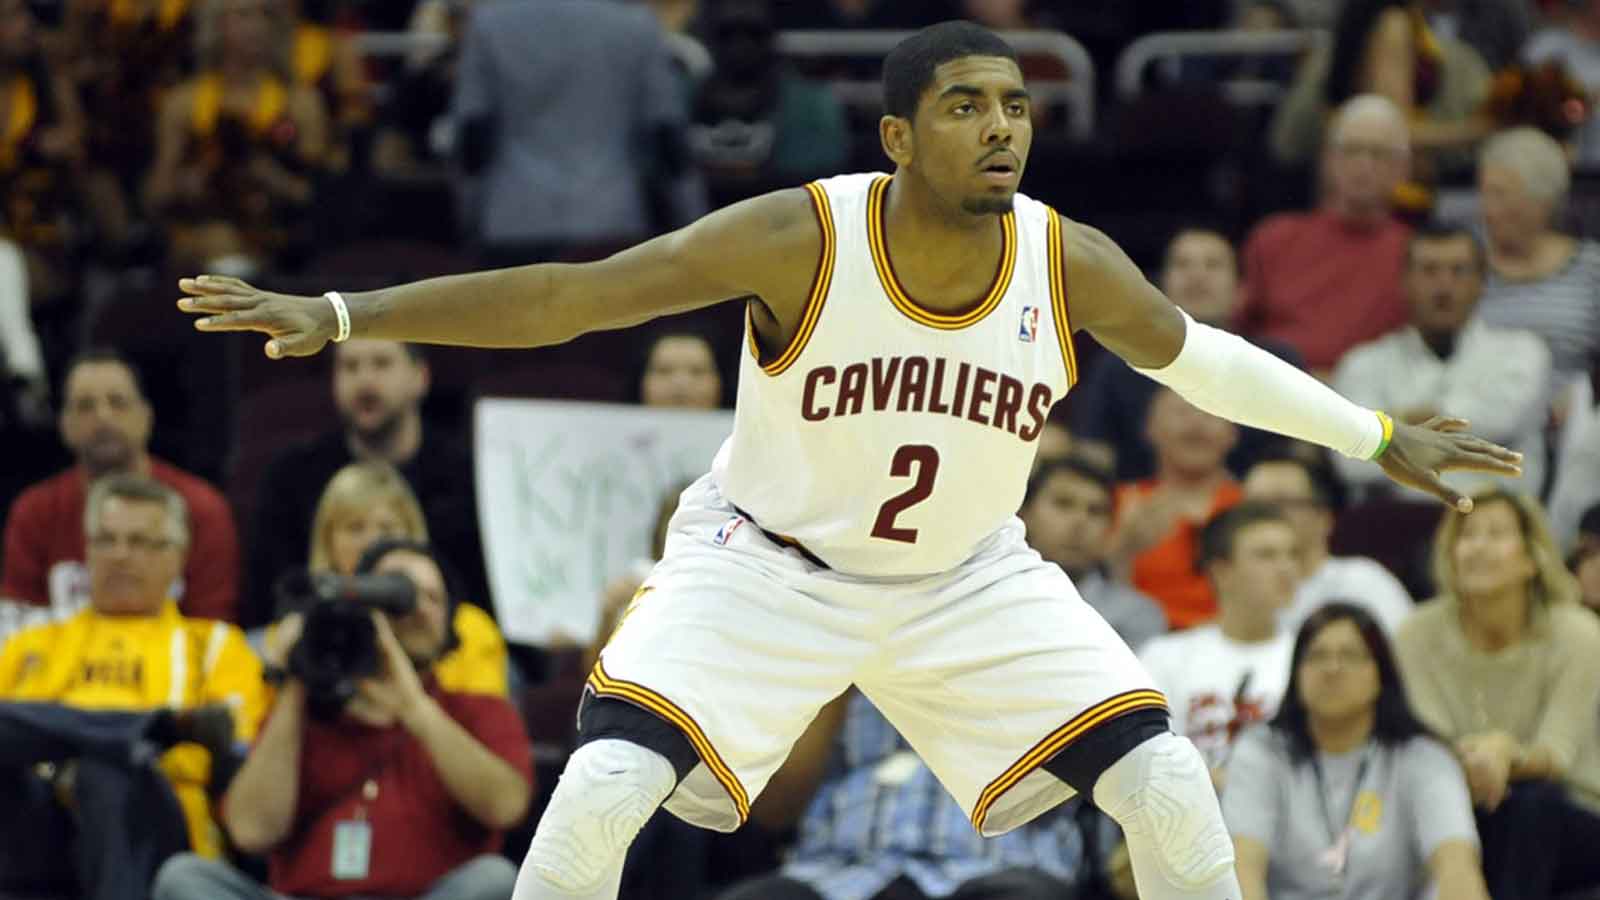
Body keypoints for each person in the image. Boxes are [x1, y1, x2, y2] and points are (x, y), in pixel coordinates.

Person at [179, 22, 1519, 900]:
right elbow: (570, 299)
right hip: (762, 563)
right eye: (963, 107)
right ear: (896, 137)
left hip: (967, 576)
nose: (1002, 127)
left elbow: (1199, 357)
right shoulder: (802, 236)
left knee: (1165, 781)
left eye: (1015, 106)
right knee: (596, 793)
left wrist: (1377, 435)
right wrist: (349, 313)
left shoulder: (1063, 257)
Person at [153, 539, 533, 900]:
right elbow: (251, 831)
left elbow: (506, 807)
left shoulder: (479, 710)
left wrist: (413, 706)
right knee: (183, 877)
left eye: (433, 598)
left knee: (494, 879)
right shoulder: (307, 713)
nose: (416, 608)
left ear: (450, 624)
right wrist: (298, 679)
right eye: (396, 594)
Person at [0, 474, 265, 900]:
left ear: (178, 558)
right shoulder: (32, 643)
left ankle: (129, 738)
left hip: (151, 826)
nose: (120, 556)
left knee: (106, 768)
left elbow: (230, 754)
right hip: (39, 825)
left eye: (140, 542)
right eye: (105, 541)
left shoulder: (213, 646)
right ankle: (150, 725)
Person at [1394, 490, 1600, 899]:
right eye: (1467, 535)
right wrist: (1479, 760)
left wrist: (1506, 751)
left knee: (1530, 804)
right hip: (1464, 802)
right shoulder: (1416, 633)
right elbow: (1431, 743)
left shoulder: (1576, 632)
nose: (1478, 547)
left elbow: (1556, 754)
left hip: (1575, 812)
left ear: (1531, 557)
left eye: (1496, 533)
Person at [716, 689, 1098, 900]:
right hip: (841, 872)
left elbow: (1060, 795)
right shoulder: (836, 649)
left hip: (991, 867)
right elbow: (774, 811)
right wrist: (836, 676)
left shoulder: (1028, 639)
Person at [1225, 603, 1490, 900]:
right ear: (1296, 674)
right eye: (1316, 656)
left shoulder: (1424, 756)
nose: (1332, 669)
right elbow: (1243, 867)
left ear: (1381, 674)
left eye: (1350, 656)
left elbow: (1456, 864)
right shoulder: (1261, 753)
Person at [245, 339, 485, 628]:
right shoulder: (290, 478)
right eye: (350, 366)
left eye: (382, 363)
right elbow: (268, 602)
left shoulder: (472, 478)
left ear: (420, 377)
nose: (365, 381)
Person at [1, 349, 240, 635]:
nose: (103, 417)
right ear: (65, 424)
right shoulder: (35, 511)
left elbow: (213, 631)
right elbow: (14, 628)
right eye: (85, 406)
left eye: (118, 402)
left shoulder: (201, 508)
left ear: (146, 415)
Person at [451, 0, 704, 263]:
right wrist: (693, 220)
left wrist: (468, 216)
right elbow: (667, 136)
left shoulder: (489, 24)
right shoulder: (636, 25)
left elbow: (473, 135)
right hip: (610, 216)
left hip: (515, 217)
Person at [1332, 221, 1551, 497]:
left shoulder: (1523, 354)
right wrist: (1458, 431)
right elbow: (1350, 462)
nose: (1444, 286)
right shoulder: (1362, 365)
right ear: (1404, 281)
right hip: (1394, 524)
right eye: (1429, 270)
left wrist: (1401, 426)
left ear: (1482, 282)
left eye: (1459, 271)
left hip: (1497, 525)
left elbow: (1503, 421)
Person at [1070, 227, 1304, 482]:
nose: (1197, 276)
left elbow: (1303, 454)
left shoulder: (1277, 362)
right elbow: (1093, 454)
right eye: (1182, 264)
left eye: (1213, 265)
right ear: (1158, 286)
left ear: (1241, 290)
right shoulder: (1118, 362)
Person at [258, 461, 509, 698]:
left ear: (412, 537)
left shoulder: (467, 630)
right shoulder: (300, 632)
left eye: (387, 528)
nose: (372, 542)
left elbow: (484, 730)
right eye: (355, 528)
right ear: (328, 542)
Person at [1243, 95, 1415, 375]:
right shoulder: (1273, 239)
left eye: (1378, 154)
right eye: (1351, 151)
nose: (1364, 164)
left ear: (1404, 169)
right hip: (1275, 391)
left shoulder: (1415, 254)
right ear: (1327, 160)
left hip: (1373, 400)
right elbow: (1238, 329)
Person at [1137, 502, 1300, 775]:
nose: (1285, 568)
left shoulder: (1309, 656)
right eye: (1266, 555)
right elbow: (1144, 758)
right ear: (1221, 571)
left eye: (1292, 554)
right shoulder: (1164, 657)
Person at [1270, 0, 1491, 175]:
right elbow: (1396, 130)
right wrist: (1475, 130)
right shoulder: (1393, 24)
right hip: (1388, 183)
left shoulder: (1385, 17)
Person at [1475, 127, 1600, 405]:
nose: (1486, 209)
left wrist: (1584, 399)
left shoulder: (1591, 268)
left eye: (1499, 195)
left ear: (1541, 202)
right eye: (1484, 194)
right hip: (1481, 421)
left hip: (1574, 429)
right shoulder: (1469, 266)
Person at [1109, 388, 1240, 628]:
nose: (1197, 425)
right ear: (1149, 427)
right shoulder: (1115, 504)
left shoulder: (1252, 509)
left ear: (1233, 432)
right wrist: (1123, 549)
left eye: (1210, 413)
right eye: (1182, 412)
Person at [1242, 453, 1414, 635]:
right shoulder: (1232, 583)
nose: (1267, 516)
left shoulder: (1364, 583)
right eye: (1255, 506)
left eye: (1283, 503)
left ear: (1323, 518)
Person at [1020, 455, 1167, 651]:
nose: (1080, 521)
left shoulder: (1137, 615)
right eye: (1064, 504)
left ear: (1109, 528)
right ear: (1025, 514)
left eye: (1096, 511)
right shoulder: (985, 593)